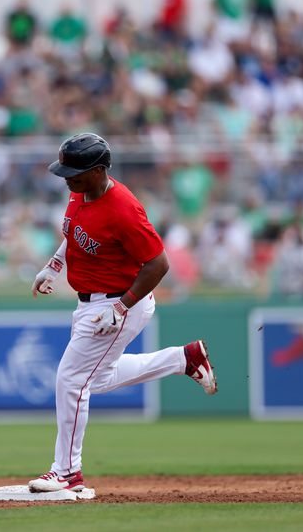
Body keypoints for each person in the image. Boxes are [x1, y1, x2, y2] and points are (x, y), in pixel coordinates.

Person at [27, 132, 217, 493]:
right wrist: (54, 265)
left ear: (98, 170)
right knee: (94, 379)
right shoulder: (80, 192)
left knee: (70, 380)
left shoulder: (124, 209)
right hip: (90, 303)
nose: (67, 177)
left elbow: (158, 264)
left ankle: (67, 471)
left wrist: (121, 306)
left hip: (118, 302)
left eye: (75, 171)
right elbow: (73, 233)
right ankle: (183, 359)